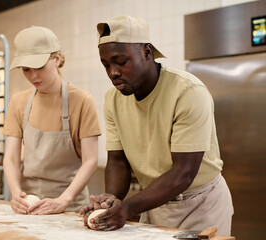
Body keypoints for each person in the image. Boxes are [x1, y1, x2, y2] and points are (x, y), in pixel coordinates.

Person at [79, 15, 234, 235]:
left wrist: (129, 207)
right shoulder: (113, 99)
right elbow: (118, 161)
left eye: (121, 62)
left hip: (201, 204)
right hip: (154, 202)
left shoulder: (188, 92)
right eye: (106, 65)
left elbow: (183, 172)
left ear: (147, 52)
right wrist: (110, 201)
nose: (113, 72)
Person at [3, 26, 101, 215]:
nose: (33, 76)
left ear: (57, 58)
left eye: (39, 67)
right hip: (28, 206)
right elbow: (11, 158)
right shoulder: (18, 102)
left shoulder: (81, 100)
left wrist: (64, 199)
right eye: (26, 69)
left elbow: (90, 160)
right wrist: (16, 194)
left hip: (70, 208)